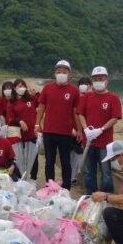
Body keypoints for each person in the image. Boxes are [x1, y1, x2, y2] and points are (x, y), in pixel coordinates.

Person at [35, 60, 81, 190]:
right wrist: (37, 124)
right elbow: (41, 106)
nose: (61, 74)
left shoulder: (74, 90)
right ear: (55, 73)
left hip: (66, 133)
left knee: (66, 162)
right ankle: (49, 185)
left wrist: (79, 130)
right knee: (49, 161)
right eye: (59, 71)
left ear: (69, 74)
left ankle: (66, 187)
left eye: (64, 72)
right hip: (49, 132)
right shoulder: (48, 88)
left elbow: (76, 112)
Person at [77, 66, 122, 194]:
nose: (98, 81)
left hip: (105, 143)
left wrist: (101, 129)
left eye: (101, 78)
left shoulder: (113, 98)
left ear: (107, 80)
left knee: (106, 172)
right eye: (95, 79)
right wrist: (86, 129)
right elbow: (80, 114)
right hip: (88, 141)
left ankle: (105, 197)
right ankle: (91, 195)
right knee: (88, 171)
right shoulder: (87, 96)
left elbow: (115, 117)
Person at [6, 78, 39, 179]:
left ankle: (33, 179)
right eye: (19, 86)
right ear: (14, 88)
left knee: (33, 158)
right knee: (19, 158)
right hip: (19, 135)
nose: (22, 88)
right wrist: (19, 122)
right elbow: (10, 119)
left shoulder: (31, 99)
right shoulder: (12, 103)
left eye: (23, 86)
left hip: (32, 134)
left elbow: (41, 104)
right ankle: (20, 178)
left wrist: (36, 93)